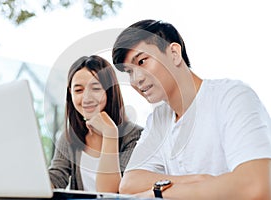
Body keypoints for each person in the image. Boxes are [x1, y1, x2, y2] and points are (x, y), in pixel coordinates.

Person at [112, 19, 271, 199]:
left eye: (141, 62)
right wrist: (198, 180)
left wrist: (162, 192)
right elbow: (129, 184)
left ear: (174, 53)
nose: (136, 79)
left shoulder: (231, 96)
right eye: (129, 72)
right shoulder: (158, 118)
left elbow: (257, 185)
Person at [48, 55, 143, 193]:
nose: (86, 98)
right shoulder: (69, 137)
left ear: (110, 91)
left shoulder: (134, 136)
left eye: (96, 88)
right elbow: (56, 178)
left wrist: (110, 133)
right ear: (71, 94)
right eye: (78, 90)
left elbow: (111, 193)